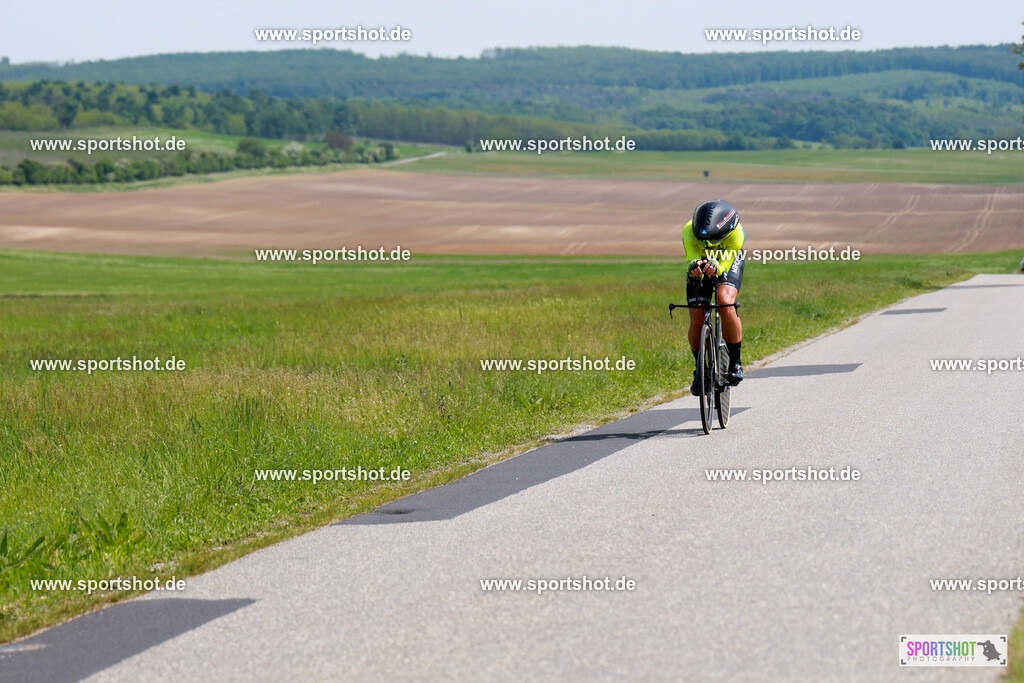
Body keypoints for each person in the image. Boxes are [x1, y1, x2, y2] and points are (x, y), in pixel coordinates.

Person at [682, 200, 746, 395]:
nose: (707, 244)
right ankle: (699, 368)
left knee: (725, 301)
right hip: (702, 262)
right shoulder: (688, 231)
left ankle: (735, 363)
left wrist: (718, 268)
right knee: (697, 313)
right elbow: (692, 257)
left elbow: (725, 264)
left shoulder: (737, 234)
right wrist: (694, 267)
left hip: (728, 261)